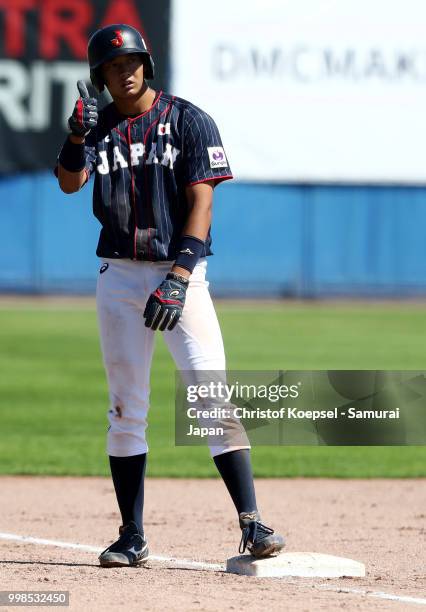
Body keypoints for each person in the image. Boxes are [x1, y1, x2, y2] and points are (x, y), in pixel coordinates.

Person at [55, 23, 285, 568]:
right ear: (101, 77)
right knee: (125, 408)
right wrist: (75, 137)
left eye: (132, 61)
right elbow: (69, 182)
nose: (125, 70)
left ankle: (252, 524)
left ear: (147, 64)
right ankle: (131, 535)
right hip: (117, 277)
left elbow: (202, 204)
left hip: (179, 271)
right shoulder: (99, 127)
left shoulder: (187, 119)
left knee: (210, 395)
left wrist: (179, 276)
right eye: (113, 66)